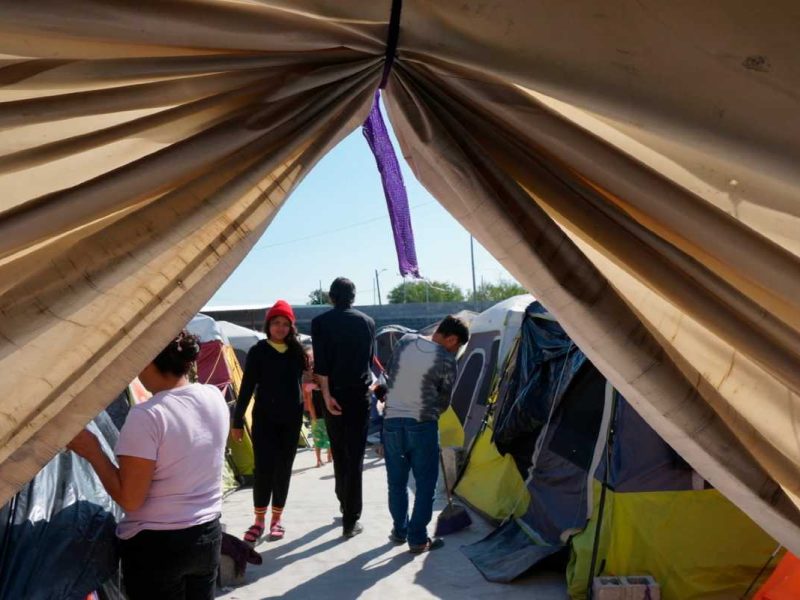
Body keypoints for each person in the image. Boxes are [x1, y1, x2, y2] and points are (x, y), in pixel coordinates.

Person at [67, 330, 229, 599]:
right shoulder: (213, 396)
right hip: (207, 535)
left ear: (148, 362)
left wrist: (92, 451)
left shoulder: (148, 415)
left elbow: (130, 499)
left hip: (159, 546)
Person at [382, 315, 470, 554]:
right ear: (452, 339)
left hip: (391, 423)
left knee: (396, 483)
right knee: (425, 484)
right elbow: (443, 400)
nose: (455, 351)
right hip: (422, 424)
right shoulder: (446, 359)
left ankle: (399, 531)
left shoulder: (405, 341)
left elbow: (390, 373)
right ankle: (418, 538)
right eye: (457, 346)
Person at [232, 300, 308, 544]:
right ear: (269, 325)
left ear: (291, 327)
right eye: (276, 323)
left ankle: (277, 519)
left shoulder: (297, 352)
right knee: (264, 469)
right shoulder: (259, 351)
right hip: (264, 419)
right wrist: (237, 421)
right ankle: (258, 521)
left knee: (283, 469)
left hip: (291, 420)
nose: (280, 328)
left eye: (285, 324)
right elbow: (246, 387)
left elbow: (308, 379)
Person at [311, 277, 375, 538]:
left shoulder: (320, 322)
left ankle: (343, 501)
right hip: (359, 395)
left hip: (333, 395)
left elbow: (321, 365)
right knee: (355, 456)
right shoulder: (367, 322)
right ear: (353, 297)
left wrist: (326, 396)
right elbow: (368, 360)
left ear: (331, 297)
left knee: (339, 452)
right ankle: (351, 518)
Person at [303, 367, 332, 468]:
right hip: (317, 416)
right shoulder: (310, 387)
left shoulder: (325, 386)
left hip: (326, 415)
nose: (315, 376)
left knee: (329, 436)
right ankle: (319, 459)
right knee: (318, 438)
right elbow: (309, 402)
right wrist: (313, 417)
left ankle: (329, 455)